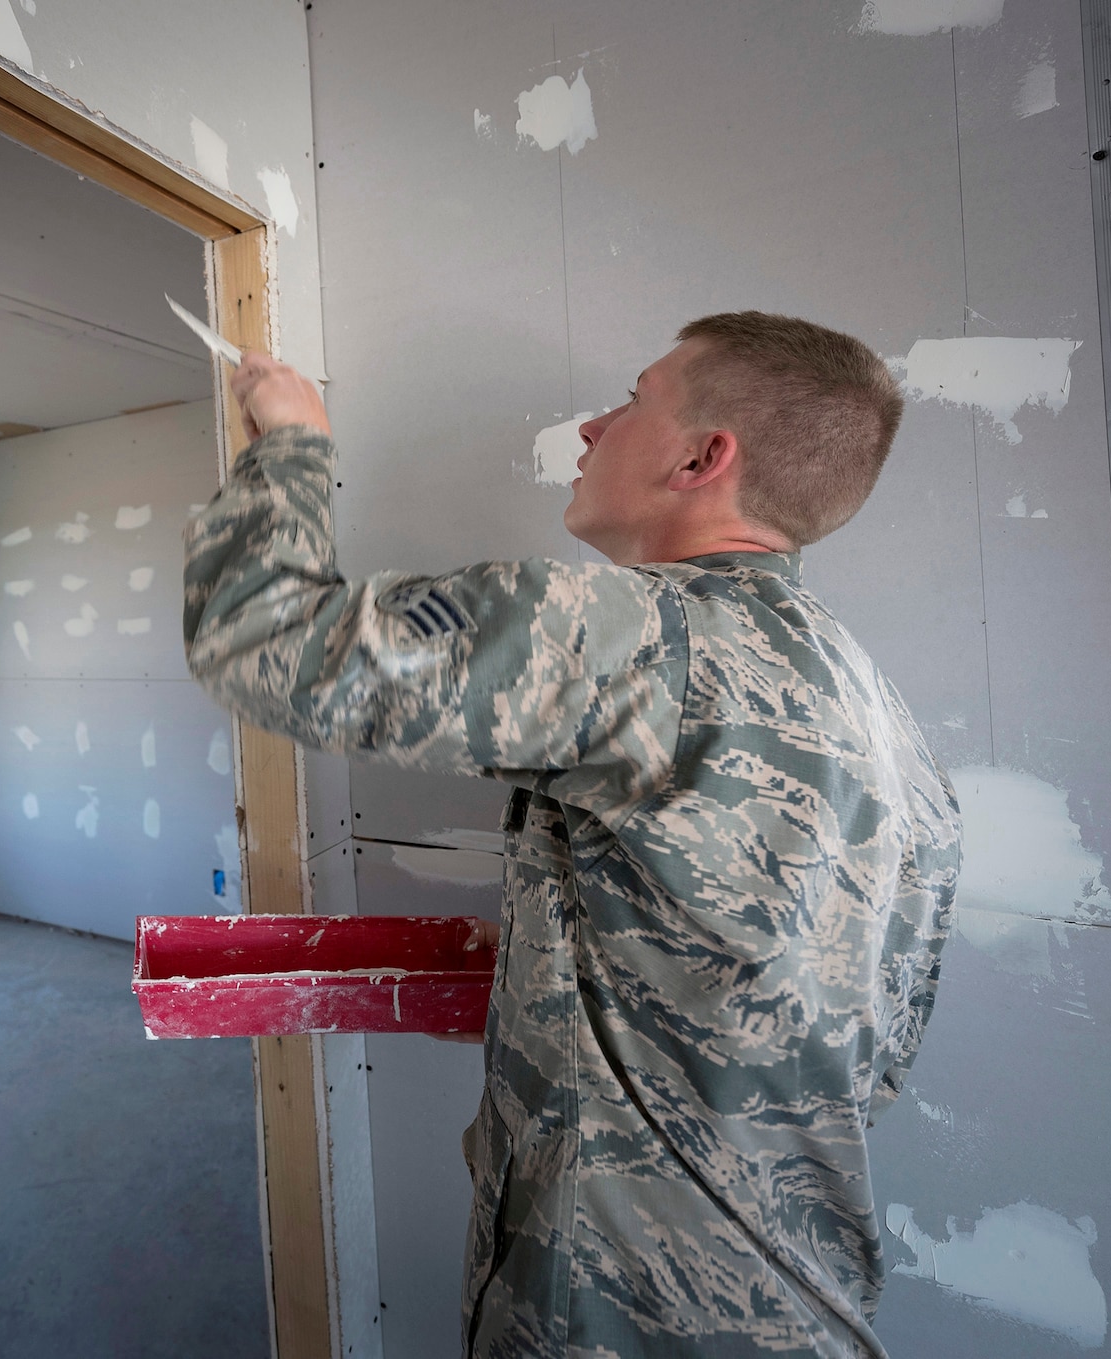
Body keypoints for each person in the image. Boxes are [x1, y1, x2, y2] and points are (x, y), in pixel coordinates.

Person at [181, 312, 963, 1358]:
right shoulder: (878, 713)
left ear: (700, 456)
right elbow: (856, 1037)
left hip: (625, 1312)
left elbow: (260, 641)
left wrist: (289, 440)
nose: (592, 426)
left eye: (631, 397)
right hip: (795, 1301)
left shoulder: (634, 633)